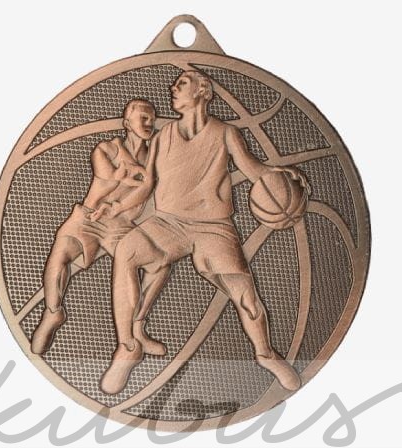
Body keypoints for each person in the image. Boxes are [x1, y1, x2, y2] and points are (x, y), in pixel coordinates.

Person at [99, 71, 303, 394]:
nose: (173, 88)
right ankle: (127, 347)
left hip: (214, 227)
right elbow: (147, 186)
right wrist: (118, 207)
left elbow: (253, 170)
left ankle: (266, 354)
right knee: (127, 250)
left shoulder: (226, 133)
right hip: (169, 223)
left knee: (246, 296)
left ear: (202, 91)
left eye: (181, 84)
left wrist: (279, 176)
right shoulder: (163, 136)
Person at [31, 99, 170, 357]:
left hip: (121, 225)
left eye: (152, 119)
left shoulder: (155, 158)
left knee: (159, 264)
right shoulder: (106, 149)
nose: (149, 123)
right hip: (89, 218)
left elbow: (149, 187)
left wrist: (128, 196)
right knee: (60, 254)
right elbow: (111, 175)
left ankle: (137, 327)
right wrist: (135, 176)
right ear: (126, 123)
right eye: (143, 118)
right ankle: (52, 312)